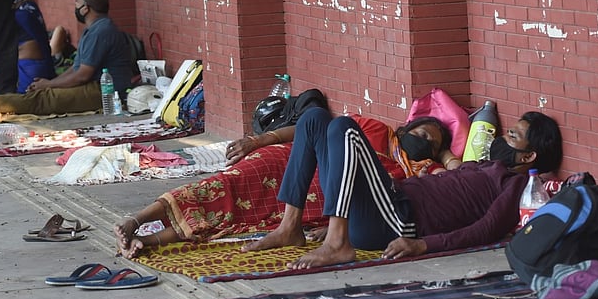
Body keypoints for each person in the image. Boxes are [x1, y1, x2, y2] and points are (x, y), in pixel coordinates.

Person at [240, 108, 563, 269]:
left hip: (400, 219)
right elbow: (448, 166)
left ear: (529, 156)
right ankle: (290, 227)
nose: (501, 139)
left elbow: (487, 229)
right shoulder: (480, 167)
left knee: (344, 128)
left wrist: (422, 245)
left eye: (512, 137)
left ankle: (340, 242)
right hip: (383, 207)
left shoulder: (517, 183)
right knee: (314, 117)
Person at [113, 112, 459, 258]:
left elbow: (456, 176)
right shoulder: (376, 129)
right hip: (292, 165)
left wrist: (443, 153)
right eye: (424, 133)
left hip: (325, 197)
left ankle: (147, 238)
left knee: (240, 214)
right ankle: (137, 218)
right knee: (229, 183)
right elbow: (317, 132)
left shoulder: (415, 168)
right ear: (409, 126)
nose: (425, 143)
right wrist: (262, 140)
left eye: (432, 142)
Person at [0, 0, 134, 115]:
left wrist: (49, 85)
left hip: (105, 93)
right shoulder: (94, 29)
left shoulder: (101, 31)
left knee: (41, 100)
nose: (75, 6)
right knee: (43, 93)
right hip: (96, 87)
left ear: (85, 8)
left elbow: (82, 75)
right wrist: (50, 83)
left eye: (77, 3)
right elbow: (76, 68)